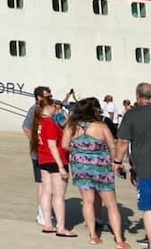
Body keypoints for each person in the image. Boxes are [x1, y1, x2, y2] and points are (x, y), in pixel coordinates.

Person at [61, 98, 130, 247]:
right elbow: (113, 146)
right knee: (111, 204)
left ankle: (93, 235)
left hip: (81, 167)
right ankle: (119, 239)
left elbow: (64, 145)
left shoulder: (71, 126)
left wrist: (79, 150)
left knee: (87, 201)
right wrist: (116, 163)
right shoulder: (101, 126)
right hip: (102, 167)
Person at [32, 96, 75, 237]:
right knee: (58, 195)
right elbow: (52, 145)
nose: (56, 110)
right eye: (54, 107)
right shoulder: (49, 123)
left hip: (43, 159)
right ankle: (61, 227)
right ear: (49, 107)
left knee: (46, 192)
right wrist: (61, 167)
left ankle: (48, 224)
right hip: (54, 160)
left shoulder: (39, 122)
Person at [115, 82, 151, 249]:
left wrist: (117, 162)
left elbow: (123, 142)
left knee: (149, 208)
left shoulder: (131, 115)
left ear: (138, 97)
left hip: (145, 167)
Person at [23, 85, 53, 225]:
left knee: (49, 184)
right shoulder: (35, 109)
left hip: (48, 152)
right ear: (39, 97)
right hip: (39, 153)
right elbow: (26, 127)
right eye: (47, 96)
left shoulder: (47, 109)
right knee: (42, 183)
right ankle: (42, 212)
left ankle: (46, 210)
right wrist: (36, 142)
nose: (50, 98)